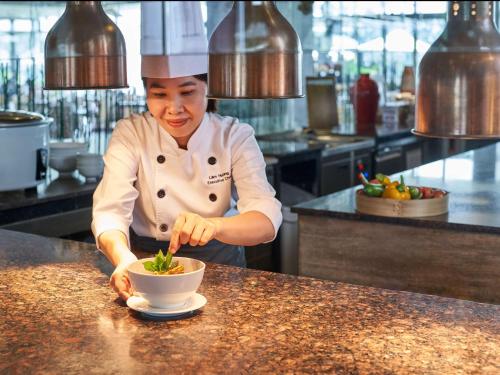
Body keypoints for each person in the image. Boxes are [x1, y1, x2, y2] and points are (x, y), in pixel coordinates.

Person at [91, 58, 282, 302]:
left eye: (187, 92)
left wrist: (214, 226)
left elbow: (266, 219)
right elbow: (110, 212)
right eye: (159, 94)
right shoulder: (132, 133)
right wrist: (124, 258)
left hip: (220, 267)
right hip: (145, 265)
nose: (173, 108)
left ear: (208, 89)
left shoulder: (234, 136)